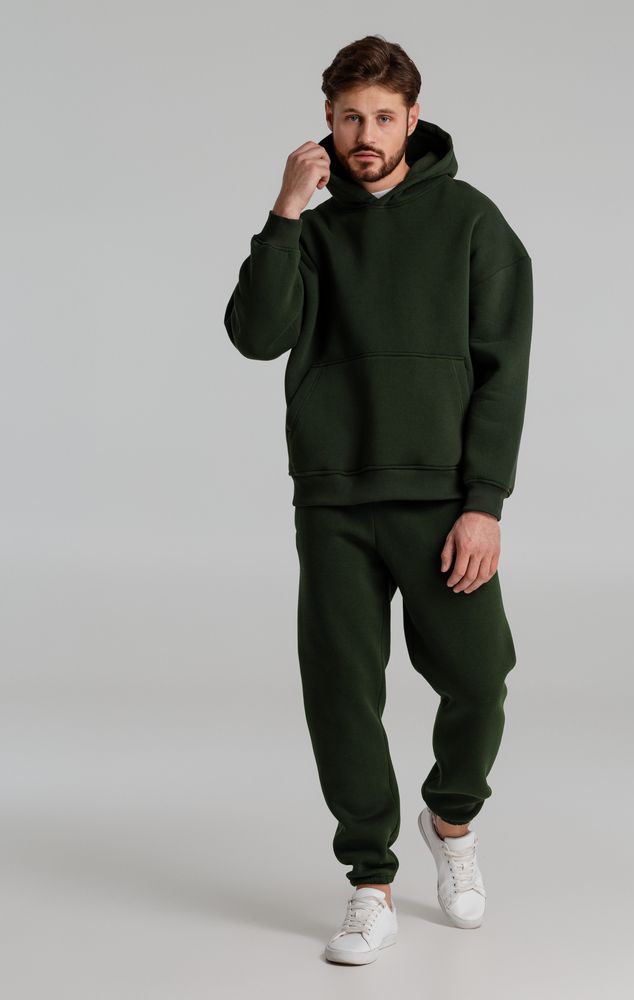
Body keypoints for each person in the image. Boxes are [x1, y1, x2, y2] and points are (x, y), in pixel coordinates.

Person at [222, 34, 534, 965]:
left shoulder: (473, 223)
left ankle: (453, 819)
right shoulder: (312, 234)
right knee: (342, 694)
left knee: (480, 676)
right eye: (350, 117)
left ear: (413, 118)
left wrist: (485, 502)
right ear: (327, 120)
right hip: (335, 501)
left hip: (441, 501)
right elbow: (256, 335)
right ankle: (370, 882)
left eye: (383, 118)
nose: (366, 135)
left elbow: (503, 374)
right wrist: (285, 210)